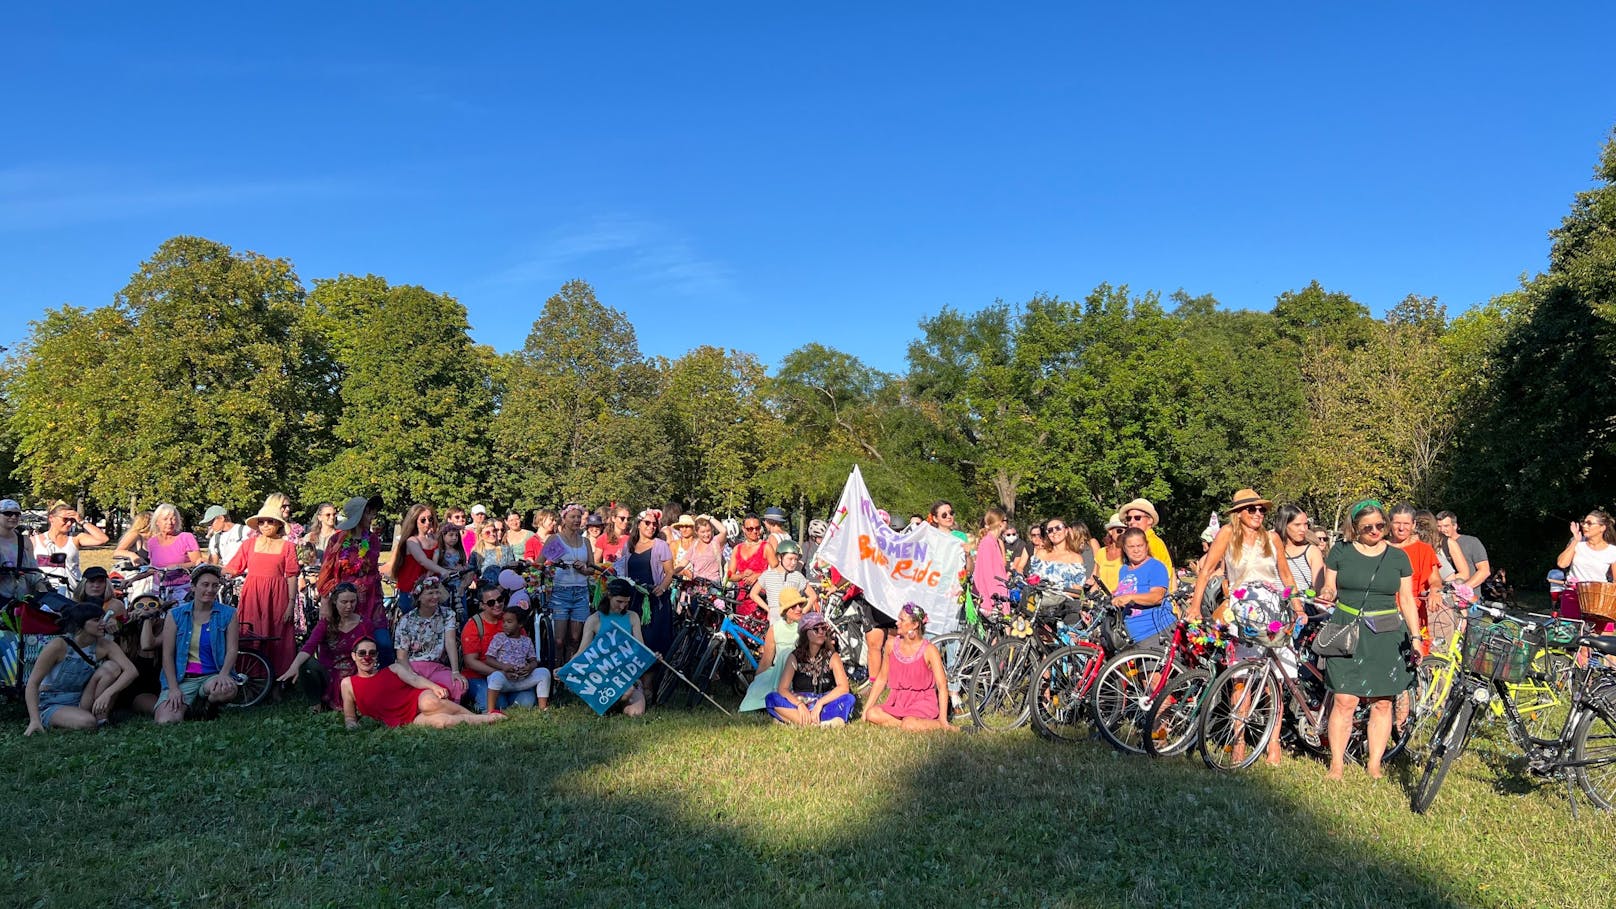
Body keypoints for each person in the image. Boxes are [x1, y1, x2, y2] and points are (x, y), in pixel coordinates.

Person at [1315, 501, 1420, 781]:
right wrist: (1326, 592)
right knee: (1344, 699)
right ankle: (1336, 765)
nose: (1376, 531)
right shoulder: (1341, 552)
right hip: (1346, 629)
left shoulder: (1398, 558)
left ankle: (1374, 765)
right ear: (1355, 529)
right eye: (1368, 527)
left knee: (1383, 702)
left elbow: (1407, 600)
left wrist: (1417, 637)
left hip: (1386, 633)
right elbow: (1329, 586)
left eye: (1380, 525)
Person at [24, 602, 137, 734]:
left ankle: (101, 718)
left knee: (112, 667)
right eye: (96, 620)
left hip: (82, 697)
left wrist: (107, 693)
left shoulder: (105, 644)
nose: (103, 623)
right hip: (52, 701)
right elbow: (32, 683)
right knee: (87, 723)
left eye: (102, 618)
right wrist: (34, 720)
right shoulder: (59, 645)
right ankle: (49, 719)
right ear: (80, 624)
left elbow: (131, 671)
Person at [341, 638, 501, 729]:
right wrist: (352, 726)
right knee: (442, 723)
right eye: (362, 653)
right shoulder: (348, 683)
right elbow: (350, 717)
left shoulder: (393, 668)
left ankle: (480, 717)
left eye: (372, 653)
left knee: (429, 703)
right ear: (354, 656)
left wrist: (434, 686)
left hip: (414, 699)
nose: (367, 657)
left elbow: (414, 679)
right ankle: (485, 720)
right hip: (399, 719)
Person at [155, 565, 241, 723]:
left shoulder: (228, 614)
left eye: (215, 585)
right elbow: (167, 655)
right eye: (205, 584)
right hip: (184, 678)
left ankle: (209, 704)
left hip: (212, 675)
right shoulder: (175, 615)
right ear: (193, 587)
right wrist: (173, 688)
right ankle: (193, 706)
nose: (210, 590)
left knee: (225, 690)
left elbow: (232, 649)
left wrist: (224, 674)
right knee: (165, 720)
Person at [225, 503, 301, 678]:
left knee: (278, 634)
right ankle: (250, 676)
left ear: (279, 524)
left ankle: (278, 678)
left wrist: (290, 604)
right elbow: (233, 567)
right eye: (262, 521)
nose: (265, 525)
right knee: (250, 632)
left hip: (278, 597)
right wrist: (210, 571)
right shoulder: (249, 544)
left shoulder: (287, 547)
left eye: (270, 521)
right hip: (253, 596)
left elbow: (291, 576)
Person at [279, 582, 374, 710]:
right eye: (344, 602)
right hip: (328, 673)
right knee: (307, 664)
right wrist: (294, 666)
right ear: (335, 601)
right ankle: (316, 704)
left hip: (354, 674)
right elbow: (309, 646)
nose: (349, 606)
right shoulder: (325, 623)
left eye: (352, 601)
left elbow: (371, 653)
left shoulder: (364, 624)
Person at [863, 604, 956, 732]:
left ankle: (937, 725)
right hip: (899, 701)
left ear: (915, 625)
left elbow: (942, 685)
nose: (897, 623)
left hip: (922, 702)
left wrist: (943, 719)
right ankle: (906, 724)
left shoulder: (929, 650)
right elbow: (882, 679)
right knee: (872, 714)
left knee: (909, 723)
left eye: (902, 620)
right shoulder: (891, 645)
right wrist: (866, 710)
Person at [317, 496, 388, 662]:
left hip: (371, 600)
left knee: (382, 644)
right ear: (359, 515)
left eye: (373, 513)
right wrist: (325, 603)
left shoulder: (373, 540)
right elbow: (326, 573)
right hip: (345, 602)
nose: (372, 517)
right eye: (368, 513)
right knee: (343, 646)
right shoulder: (337, 540)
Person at [766, 611, 855, 726]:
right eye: (816, 629)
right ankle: (818, 722)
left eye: (824, 628)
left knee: (849, 699)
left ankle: (793, 720)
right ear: (806, 633)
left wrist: (820, 704)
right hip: (801, 701)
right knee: (771, 698)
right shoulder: (795, 657)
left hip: (825, 702)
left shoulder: (832, 656)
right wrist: (799, 705)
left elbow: (843, 687)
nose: (821, 632)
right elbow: (782, 689)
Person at [574, 577, 648, 716]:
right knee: (627, 691)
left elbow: (640, 647)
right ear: (609, 596)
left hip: (626, 673)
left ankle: (612, 704)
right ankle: (611, 703)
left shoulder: (632, 617)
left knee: (635, 712)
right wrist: (566, 667)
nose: (622, 607)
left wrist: (651, 655)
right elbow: (582, 651)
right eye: (619, 602)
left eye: (626, 603)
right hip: (603, 674)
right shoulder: (594, 619)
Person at [462, 587, 542, 713]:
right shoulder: (474, 624)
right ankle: (490, 704)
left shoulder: (512, 618)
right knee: (497, 704)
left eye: (500, 599)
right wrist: (500, 672)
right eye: (491, 602)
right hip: (480, 676)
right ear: (482, 605)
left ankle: (506, 699)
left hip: (512, 675)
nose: (497, 604)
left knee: (527, 702)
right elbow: (470, 662)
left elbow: (525, 649)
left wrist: (526, 668)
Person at [392, 575, 468, 701]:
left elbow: (450, 642)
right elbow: (401, 656)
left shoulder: (447, 614)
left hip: (436, 668)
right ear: (419, 597)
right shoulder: (406, 620)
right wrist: (411, 674)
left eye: (437, 592)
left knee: (459, 685)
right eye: (430, 593)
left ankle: (448, 707)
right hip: (413, 666)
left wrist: (455, 671)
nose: (435, 596)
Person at [541, 505, 599, 665]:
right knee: (559, 640)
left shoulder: (585, 541)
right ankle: (557, 670)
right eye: (572, 517)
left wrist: (584, 568)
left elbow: (591, 569)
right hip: (560, 592)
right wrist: (554, 565)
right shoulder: (555, 539)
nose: (576, 520)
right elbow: (540, 564)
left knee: (575, 638)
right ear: (564, 519)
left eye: (578, 517)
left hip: (581, 592)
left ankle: (569, 672)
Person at [616, 510, 675, 654]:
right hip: (634, 599)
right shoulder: (629, 545)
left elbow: (670, 572)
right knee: (633, 638)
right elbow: (624, 570)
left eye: (654, 524)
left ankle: (654, 674)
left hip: (653, 600)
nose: (651, 526)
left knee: (651, 640)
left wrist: (662, 587)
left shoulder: (660, 545)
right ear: (639, 524)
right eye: (647, 523)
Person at [741, 587, 808, 712]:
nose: (799, 608)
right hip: (779, 672)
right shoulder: (775, 629)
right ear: (786, 610)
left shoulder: (807, 626)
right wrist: (757, 680)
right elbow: (767, 660)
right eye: (794, 606)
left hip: (801, 672)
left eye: (800, 604)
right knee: (758, 688)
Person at [1388, 504, 1444, 652]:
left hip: (1413, 615)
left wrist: (1435, 591)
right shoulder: (1380, 547)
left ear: (1413, 525)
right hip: (1384, 613)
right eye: (1397, 523)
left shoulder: (1424, 549)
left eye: (1406, 523)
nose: (1401, 528)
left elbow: (1435, 580)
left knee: (1415, 660)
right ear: (1389, 524)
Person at [388, 504, 456, 616]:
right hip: (411, 588)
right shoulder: (412, 541)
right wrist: (443, 571)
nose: (427, 522)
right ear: (414, 521)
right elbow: (423, 561)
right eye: (423, 520)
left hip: (431, 588)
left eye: (430, 519)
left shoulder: (434, 538)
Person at [480, 606, 551, 715]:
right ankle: (490, 711)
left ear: (520, 624)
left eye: (509, 622)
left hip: (521, 680)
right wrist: (503, 667)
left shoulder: (526, 641)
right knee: (495, 677)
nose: (505, 625)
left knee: (544, 673)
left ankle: (543, 707)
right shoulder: (499, 638)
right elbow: (489, 659)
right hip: (505, 679)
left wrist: (530, 667)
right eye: (503, 622)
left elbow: (533, 661)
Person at [1114, 528, 1174, 646]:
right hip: (1133, 635)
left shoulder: (1155, 567)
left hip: (1154, 631)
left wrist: (1129, 598)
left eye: (1140, 545)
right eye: (1131, 547)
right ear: (1124, 549)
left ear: (1146, 546)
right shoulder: (1124, 570)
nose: (1136, 550)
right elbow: (1124, 592)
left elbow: (1157, 597)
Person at [1555, 509, 1616, 622]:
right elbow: (1562, 564)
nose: (1584, 526)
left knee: (1602, 637)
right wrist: (1575, 540)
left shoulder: (1613, 551)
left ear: (1602, 528)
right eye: (1584, 522)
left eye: (1589, 523)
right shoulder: (1578, 544)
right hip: (1573, 594)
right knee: (1572, 634)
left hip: (1599, 598)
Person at [32, 500, 109, 589]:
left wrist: (81, 521)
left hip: (71, 591)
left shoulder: (75, 538)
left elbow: (103, 539)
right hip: (43, 592)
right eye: (65, 519)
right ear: (51, 518)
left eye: (72, 520)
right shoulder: (34, 540)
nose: (69, 523)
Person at [1029, 518, 1096, 606]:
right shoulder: (1041, 554)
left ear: (1066, 530)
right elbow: (1032, 580)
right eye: (1050, 530)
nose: (1054, 532)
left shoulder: (1075, 558)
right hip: (1037, 603)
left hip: (1063, 607)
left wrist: (1056, 591)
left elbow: (1077, 591)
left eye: (1058, 528)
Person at [749, 539, 816, 621]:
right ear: (780, 557)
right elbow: (753, 594)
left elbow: (813, 596)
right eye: (790, 559)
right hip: (775, 619)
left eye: (796, 559)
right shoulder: (768, 575)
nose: (794, 562)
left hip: (792, 621)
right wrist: (768, 609)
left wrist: (802, 612)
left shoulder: (797, 576)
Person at [147, 503, 202, 602]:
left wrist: (178, 566)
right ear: (157, 522)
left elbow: (198, 562)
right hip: (158, 589)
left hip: (183, 589)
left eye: (173, 519)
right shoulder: (152, 542)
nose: (170, 522)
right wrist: (132, 580)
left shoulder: (186, 537)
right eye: (165, 519)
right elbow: (152, 567)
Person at [1119, 498, 1175, 577]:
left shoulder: (1152, 542)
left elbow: (1158, 576)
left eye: (1137, 518)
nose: (1132, 522)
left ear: (1150, 520)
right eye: (1129, 518)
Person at [1435, 511, 1490, 590]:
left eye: (1446, 526)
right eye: (1439, 526)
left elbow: (1484, 571)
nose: (1442, 530)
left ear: (1455, 526)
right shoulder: (1435, 545)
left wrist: (1463, 590)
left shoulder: (1471, 542)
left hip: (1469, 597)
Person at [1278, 505, 1325, 595]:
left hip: (1302, 604)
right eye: (1297, 525)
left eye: (1306, 524)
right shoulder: (1270, 549)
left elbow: (1319, 589)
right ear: (1284, 525)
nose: (1303, 529)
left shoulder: (1312, 551)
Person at [972, 508, 1011, 615]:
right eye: (1005, 520)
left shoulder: (994, 541)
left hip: (998, 592)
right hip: (992, 596)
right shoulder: (987, 543)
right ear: (1000, 523)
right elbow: (987, 573)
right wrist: (994, 598)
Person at [728, 513, 777, 591]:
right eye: (750, 529)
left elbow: (777, 572)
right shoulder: (737, 549)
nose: (754, 531)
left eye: (757, 528)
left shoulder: (766, 547)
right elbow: (730, 576)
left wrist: (758, 576)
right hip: (742, 597)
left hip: (761, 596)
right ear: (743, 529)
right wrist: (742, 575)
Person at [683, 515, 727, 582]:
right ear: (696, 532)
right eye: (703, 532)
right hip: (696, 584)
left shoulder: (716, 541)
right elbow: (684, 562)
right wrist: (671, 572)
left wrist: (709, 518)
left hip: (713, 585)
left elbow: (723, 531)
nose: (706, 535)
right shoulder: (695, 544)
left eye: (708, 531)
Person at [1093, 515, 1125, 591]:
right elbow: (1097, 580)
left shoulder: (1130, 554)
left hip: (1120, 598)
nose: (1123, 534)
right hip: (1102, 599)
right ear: (1110, 531)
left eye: (1127, 530)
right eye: (1119, 530)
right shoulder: (1101, 552)